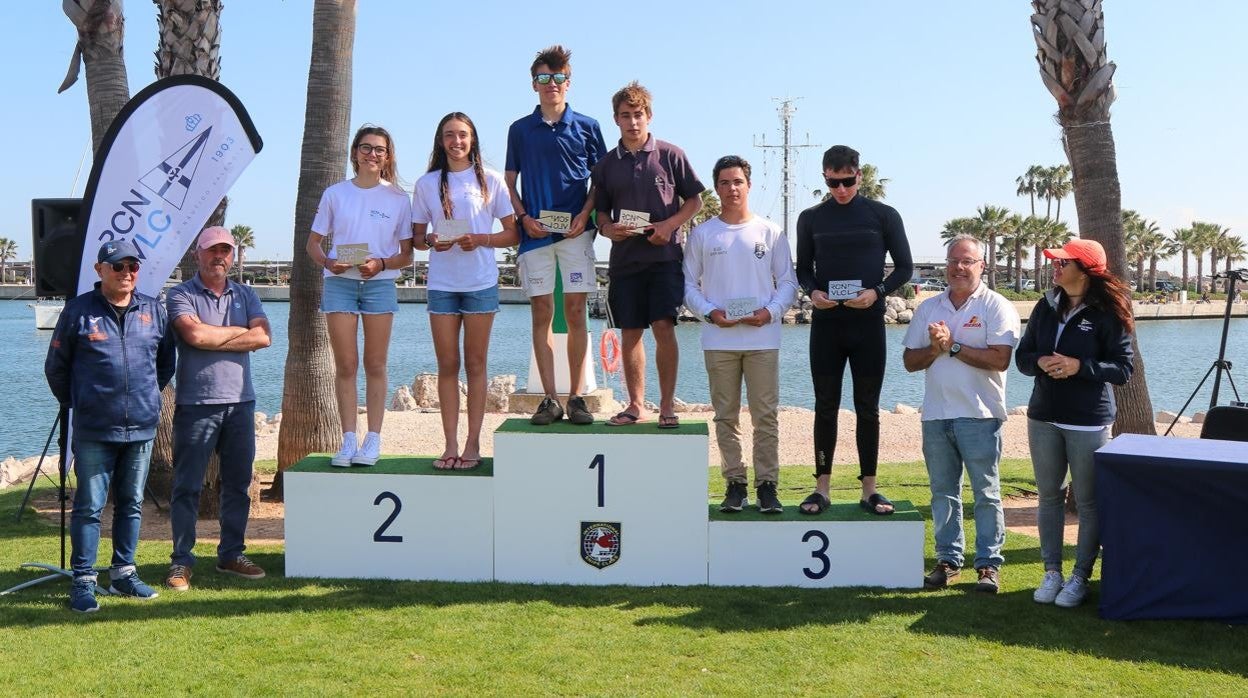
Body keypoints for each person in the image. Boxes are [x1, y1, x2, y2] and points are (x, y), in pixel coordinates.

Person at [44, 240, 176, 613]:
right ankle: (83, 580)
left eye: (132, 266)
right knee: (89, 506)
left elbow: (165, 364)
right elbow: (56, 368)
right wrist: (81, 403)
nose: (127, 273)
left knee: (131, 504)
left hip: (141, 428)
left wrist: (147, 398)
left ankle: (123, 574)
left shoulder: (152, 309)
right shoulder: (78, 311)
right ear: (100, 270)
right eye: (118, 266)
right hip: (94, 430)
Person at [795, 145, 913, 515]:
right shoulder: (811, 218)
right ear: (825, 177)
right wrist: (812, 291)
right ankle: (822, 488)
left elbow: (904, 268)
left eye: (847, 181)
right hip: (827, 324)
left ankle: (869, 490)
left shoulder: (883, 215)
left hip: (868, 323)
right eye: (833, 182)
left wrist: (877, 292)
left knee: (868, 408)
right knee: (825, 406)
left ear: (859, 176)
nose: (841, 189)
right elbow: (804, 269)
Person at [1016, 238, 1134, 608]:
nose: (1055, 266)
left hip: (1088, 421)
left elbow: (1123, 369)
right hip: (1043, 417)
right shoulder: (1045, 306)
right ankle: (1052, 572)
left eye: (1062, 262)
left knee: (1087, 502)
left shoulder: (1109, 312)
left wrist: (1079, 367)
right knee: (1048, 496)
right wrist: (1039, 363)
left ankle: (1080, 576)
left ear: (1085, 269)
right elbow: (1022, 357)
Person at [903, 235, 1020, 593]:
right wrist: (936, 350)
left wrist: (951, 346)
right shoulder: (929, 308)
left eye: (967, 261)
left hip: (980, 415)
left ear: (982, 266)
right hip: (936, 415)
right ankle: (948, 561)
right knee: (943, 493)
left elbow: (1000, 358)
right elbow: (910, 361)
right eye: (953, 260)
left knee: (985, 493)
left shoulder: (996, 306)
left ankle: (988, 566)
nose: (958, 267)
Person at [684, 155, 798, 514]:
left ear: (748, 185)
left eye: (737, 182)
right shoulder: (703, 233)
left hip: (763, 340)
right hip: (719, 340)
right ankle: (734, 484)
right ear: (716, 189)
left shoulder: (770, 232)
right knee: (725, 416)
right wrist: (710, 313)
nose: (731, 189)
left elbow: (789, 283)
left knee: (765, 416)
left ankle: (767, 486)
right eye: (724, 183)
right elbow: (688, 285)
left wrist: (770, 312)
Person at [164, 226, 272, 592]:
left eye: (225, 251)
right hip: (196, 405)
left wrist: (214, 336)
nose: (219, 257)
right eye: (212, 250)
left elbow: (264, 336)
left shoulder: (246, 293)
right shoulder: (180, 294)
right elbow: (193, 337)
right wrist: (237, 333)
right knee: (187, 487)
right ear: (198, 253)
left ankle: (230, 555)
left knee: (238, 486)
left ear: (232, 255)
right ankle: (181, 562)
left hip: (241, 404)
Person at [505, 45, 608, 426]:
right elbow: (510, 182)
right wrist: (523, 217)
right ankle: (549, 399)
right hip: (534, 236)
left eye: (559, 77)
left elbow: (601, 181)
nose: (552, 85)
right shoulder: (519, 129)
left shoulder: (588, 126)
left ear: (569, 82)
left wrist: (585, 214)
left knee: (577, 312)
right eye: (545, 78)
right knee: (542, 314)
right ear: (534, 84)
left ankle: (577, 396)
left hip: (576, 234)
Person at [592, 81, 704, 428]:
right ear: (616, 120)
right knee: (630, 331)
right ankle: (636, 404)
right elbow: (600, 214)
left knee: (663, 326)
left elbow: (695, 201)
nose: (632, 122)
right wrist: (609, 229)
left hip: (665, 259)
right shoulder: (606, 165)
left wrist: (669, 226)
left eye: (638, 115)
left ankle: (668, 405)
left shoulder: (672, 155)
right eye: (625, 116)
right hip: (625, 261)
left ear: (649, 116)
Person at [412, 112, 518, 469]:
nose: (456, 142)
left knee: (476, 364)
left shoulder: (490, 180)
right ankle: (450, 444)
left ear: (472, 139)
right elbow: (416, 237)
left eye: (462, 135)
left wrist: (481, 239)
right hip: (441, 285)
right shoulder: (426, 184)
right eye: (449, 136)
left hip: (480, 284)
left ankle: (473, 443)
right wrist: (429, 240)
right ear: (440, 142)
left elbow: (512, 233)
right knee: (447, 365)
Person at [306, 124, 413, 467]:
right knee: (347, 364)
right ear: (354, 153)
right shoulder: (335, 194)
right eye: (366, 148)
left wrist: (380, 263)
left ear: (387, 156)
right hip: (340, 284)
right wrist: (329, 262)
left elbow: (407, 254)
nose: (372, 154)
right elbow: (313, 245)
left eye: (379, 149)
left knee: (375, 363)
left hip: (379, 284)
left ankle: (374, 439)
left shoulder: (398, 198)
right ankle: (348, 439)